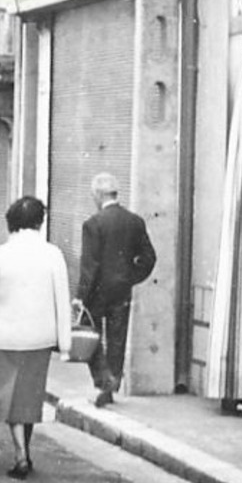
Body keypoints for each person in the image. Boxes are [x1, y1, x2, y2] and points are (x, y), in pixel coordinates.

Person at [0, 195, 71, 478]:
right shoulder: (53, 254)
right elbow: (62, 298)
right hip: (40, 336)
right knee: (29, 395)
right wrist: (65, 342)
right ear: (41, 221)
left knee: (8, 395)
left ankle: (20, 453)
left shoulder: (0, 254)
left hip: (5, 336)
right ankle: (25, 447)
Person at [77, 172, 156, 408]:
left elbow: (89, 266)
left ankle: (103, 381)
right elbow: (149, 258)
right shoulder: (135, 221)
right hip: (122, 290)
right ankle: (112, 384)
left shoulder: (93, 224)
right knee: (117, 339)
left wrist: (80, 297)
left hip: (97, 292)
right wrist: (131, 277)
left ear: (99, 195)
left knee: (92, 338)